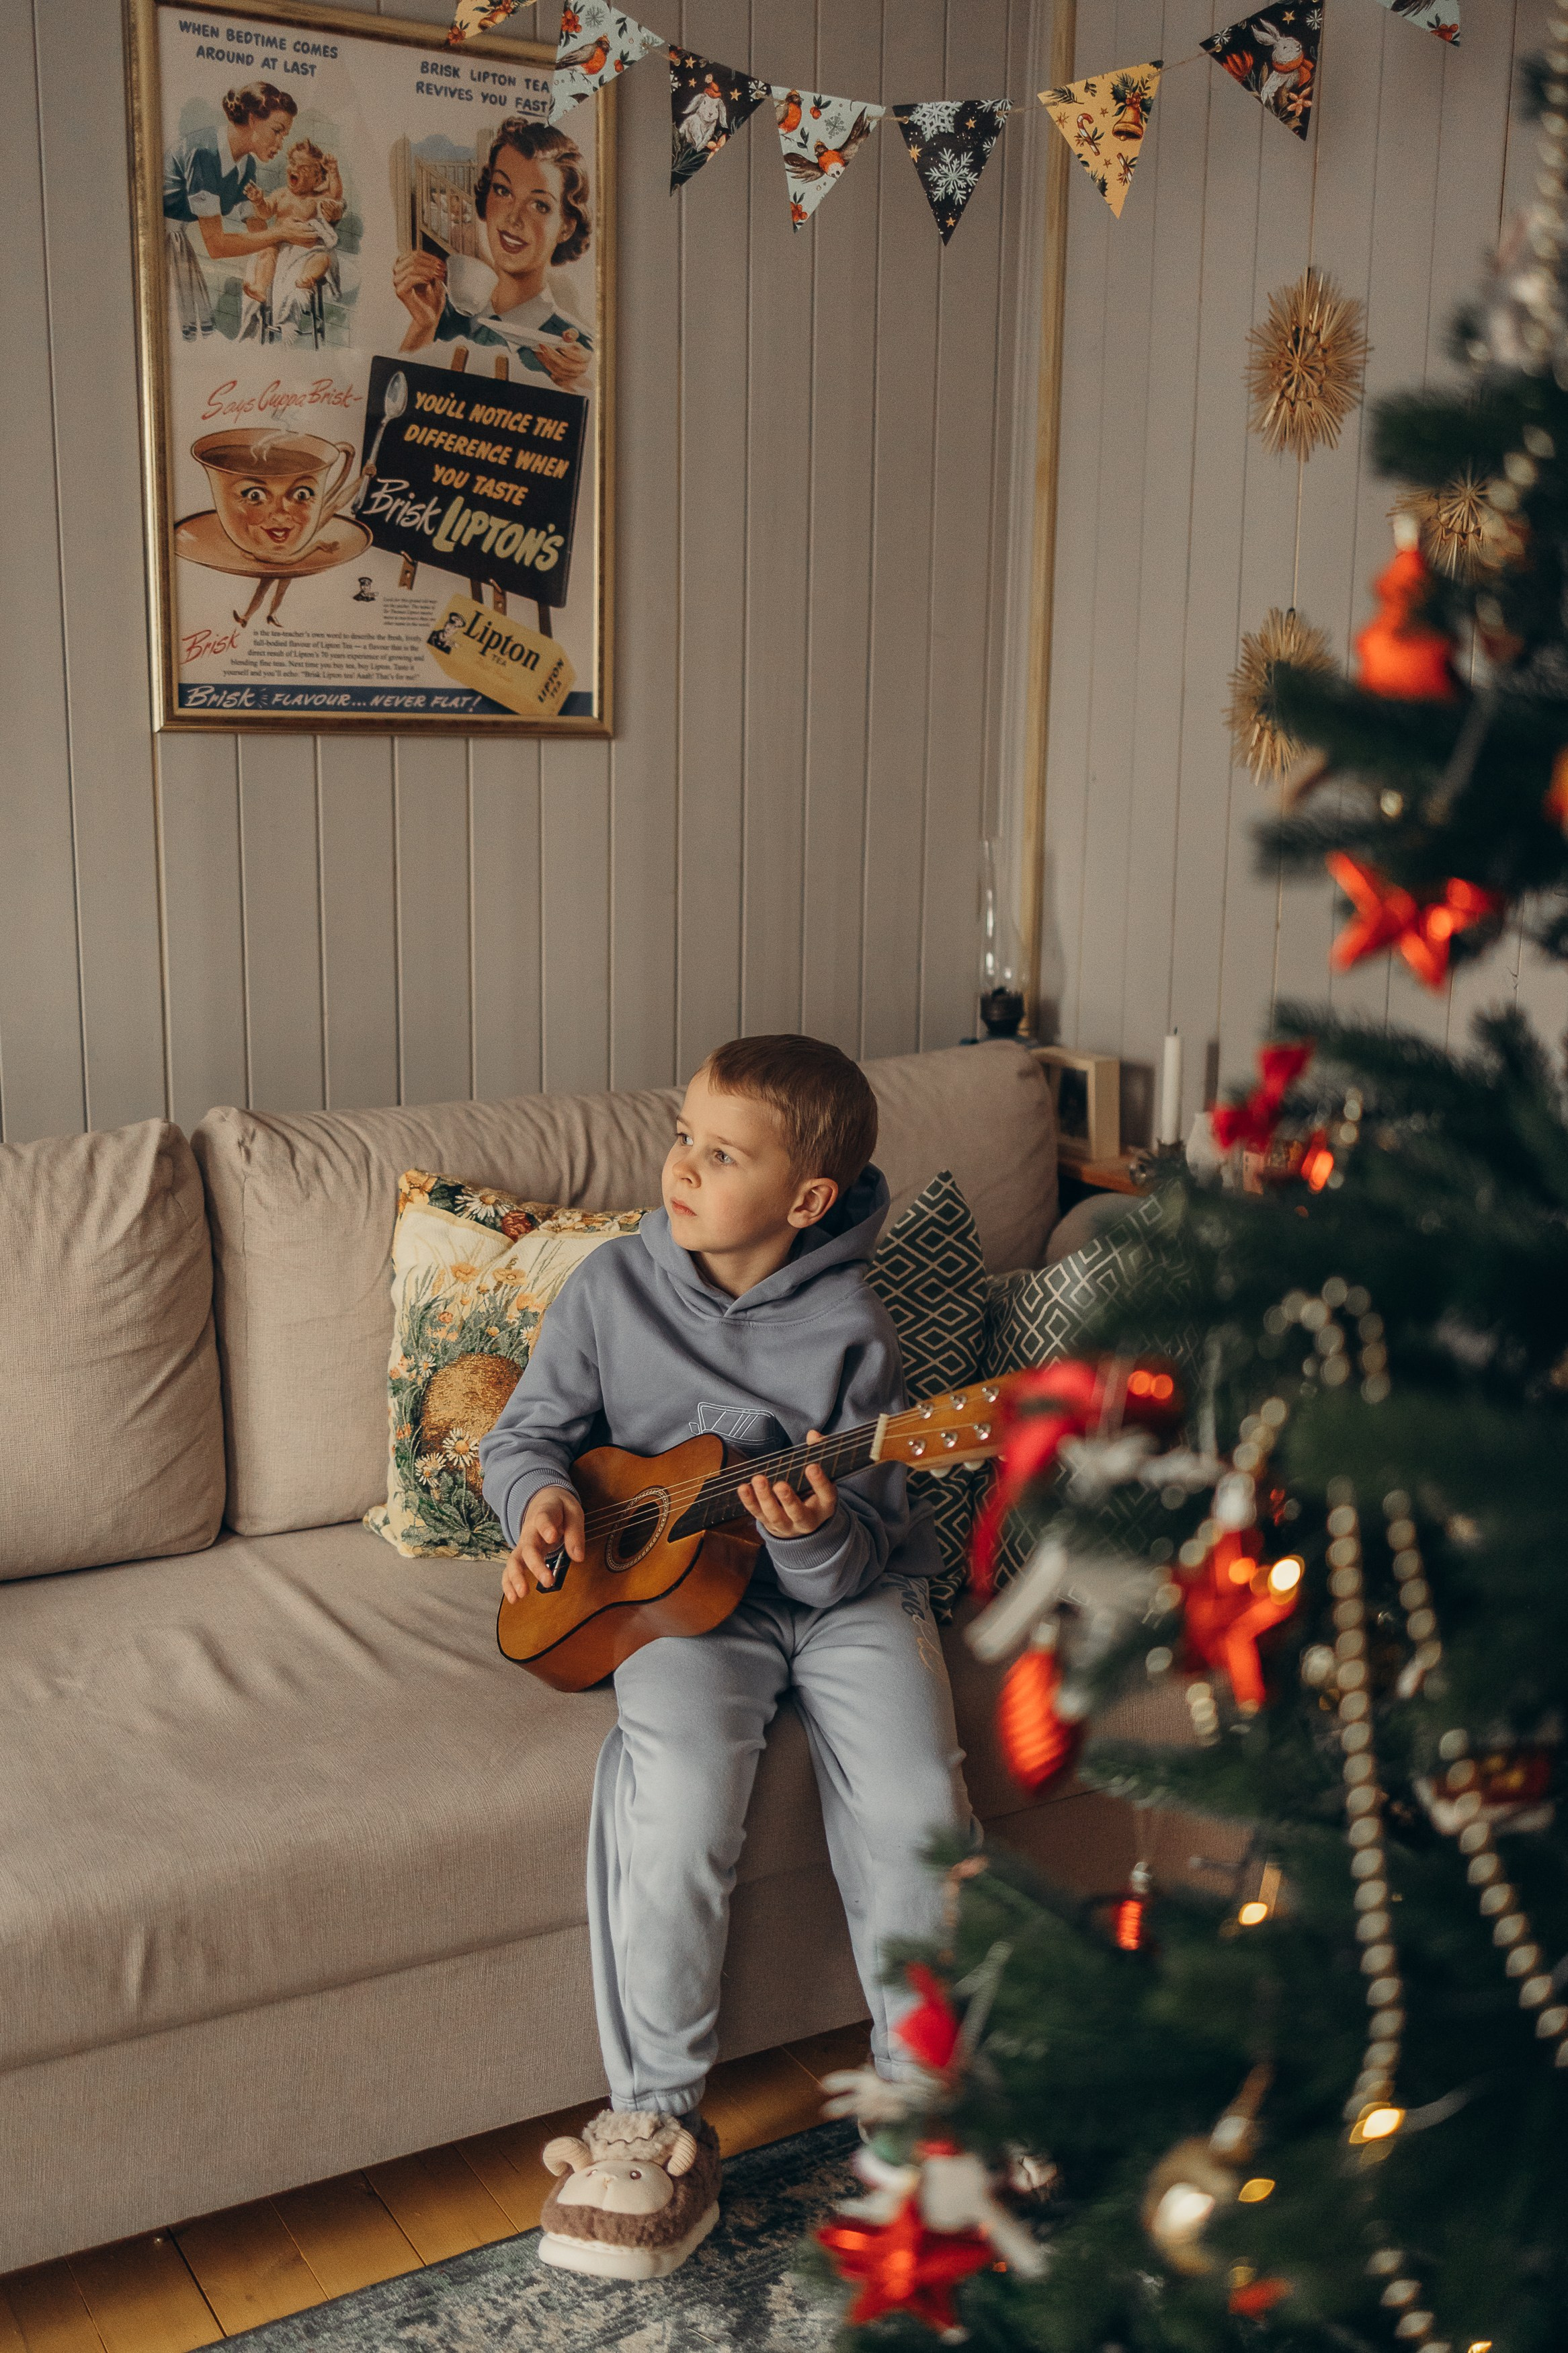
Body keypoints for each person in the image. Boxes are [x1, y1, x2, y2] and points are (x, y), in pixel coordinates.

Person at [479, 1035, 971, 2282]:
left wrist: (807, 1542)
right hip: (679, 1608)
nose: (680, 1166)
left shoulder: (852, 1325)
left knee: (917, 1801)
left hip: (838, 1593)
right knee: (683, 1792)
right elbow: (529, 1433)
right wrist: (536, 1500)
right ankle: (650, 2117)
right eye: (682, 1134)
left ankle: (925, 2098)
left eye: (721, 1152)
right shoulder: (610, 1289)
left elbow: (865, 1542)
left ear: (806, 1201)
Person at [392, 118, 594, 393]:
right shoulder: (442, 317)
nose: (513, 218)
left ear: (566, 228)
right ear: (486, 198)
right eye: (503, 191)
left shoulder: (576, 353)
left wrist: (572, 389)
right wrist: (423, 326)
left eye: (540, 205)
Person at [162, 82, 319, 340]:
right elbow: (216, 246)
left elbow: (258, 227)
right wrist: (280, 234)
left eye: (285, 136)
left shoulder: (246, 166)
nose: (280, 143)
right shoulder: (205, 153)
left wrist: (278, 265)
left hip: (177, 243)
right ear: (253, 119)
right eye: (277, 131)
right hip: (160, 243)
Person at [239, 137, 344, 342]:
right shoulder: (281, 195)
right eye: (293, 163)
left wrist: (333, 171)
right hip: (280, 245)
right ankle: (260, 287)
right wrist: (259, 201)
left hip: (306, 250)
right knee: (266, 252)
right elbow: (265, 213)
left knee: (323, 259)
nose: (295, 168)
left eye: (303, 167)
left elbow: (336, 194)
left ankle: (306, 279)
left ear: (317, 179)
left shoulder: (316, 199)